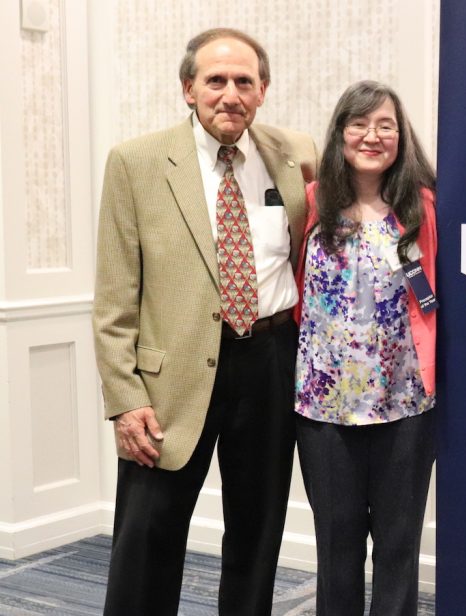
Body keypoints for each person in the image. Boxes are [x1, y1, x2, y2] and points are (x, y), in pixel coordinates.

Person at [92, 28, 317, 615]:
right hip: (169, 378)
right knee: (149, 535)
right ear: (188, 88)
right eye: (215, 80)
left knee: (258, 530)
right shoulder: (136, 162)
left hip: (270, 361)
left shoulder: (291, 155)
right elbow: (115, 299)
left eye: (245, 81)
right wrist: (124, 398)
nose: (230, 94)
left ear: (263, 90)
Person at [292, 80, 437, 616]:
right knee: (336, 543)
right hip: (323, 407)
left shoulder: (422, 206)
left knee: (399, 544)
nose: (372, 136)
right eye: (360, 124)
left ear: (401, 137)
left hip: (405, 403)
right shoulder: (310, 203)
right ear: (340, 132)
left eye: (386, 125)